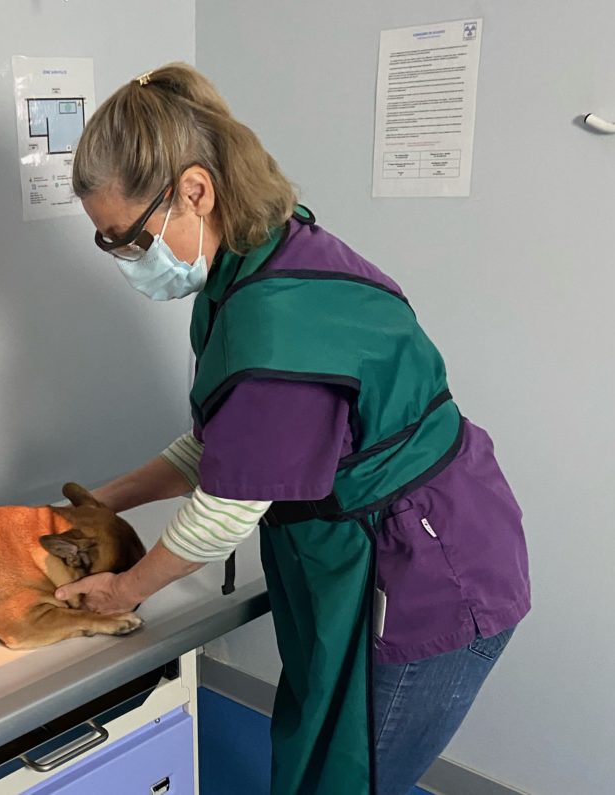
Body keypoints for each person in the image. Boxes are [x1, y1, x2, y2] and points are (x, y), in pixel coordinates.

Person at [53, 63, 531, 795]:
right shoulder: (251, 260)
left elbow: (222, 512)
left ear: (195, 191)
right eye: (108, 243)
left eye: (125, 238)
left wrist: (126, 591)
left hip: (426, 571)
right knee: (313, 742)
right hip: (357, 551)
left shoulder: (276, 317)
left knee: (350, 774)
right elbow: (223, 445)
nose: (124, 259)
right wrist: (104, 500)